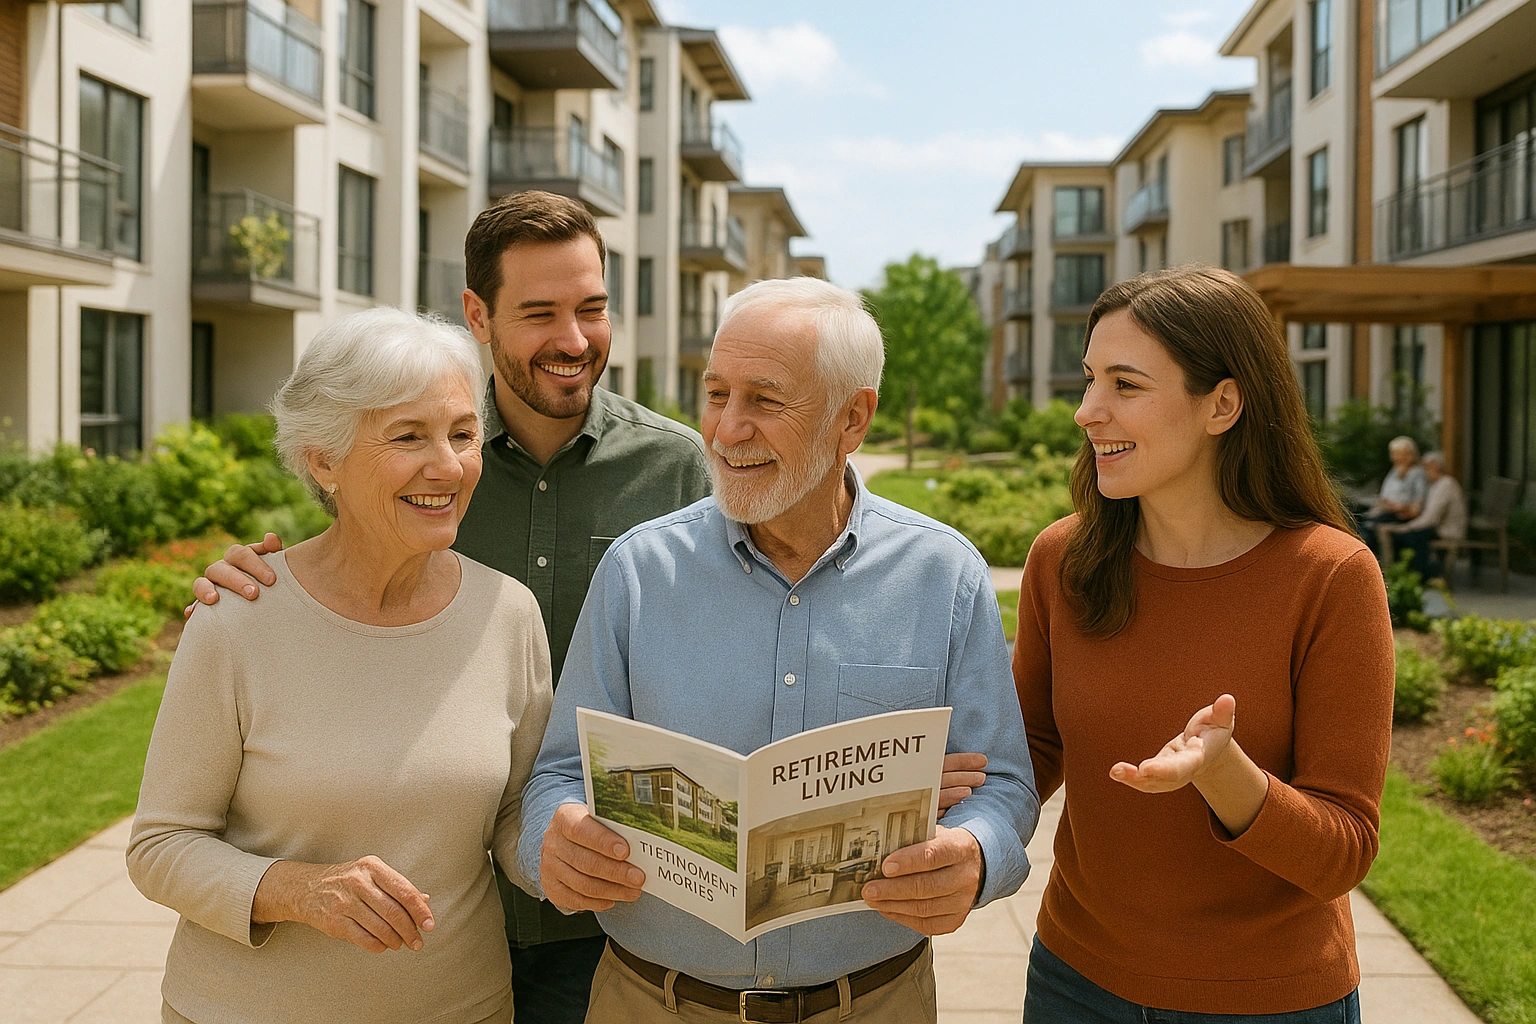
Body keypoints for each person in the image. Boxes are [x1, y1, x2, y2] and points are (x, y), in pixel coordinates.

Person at [188, 191, 712, 1023]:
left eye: (593, 308)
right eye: (539, 313)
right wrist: (246, 596)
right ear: (478, 313)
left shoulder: (680, 472)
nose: (573, 341)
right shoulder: (426, 466)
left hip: (609, 911)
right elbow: (336, 595)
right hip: (440, 921)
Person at [519, 277, 1040, 1024]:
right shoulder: (639, 570)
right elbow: (560, 775)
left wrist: (976, 854)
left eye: (765, 400)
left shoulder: (943, 574)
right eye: (717, 394)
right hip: (652, 1002)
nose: (728, 429)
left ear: (852, 418)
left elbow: (1006, 786)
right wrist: (555, 839)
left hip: (875, 1003)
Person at [128, 308, 554, 1024]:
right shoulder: (239, 619)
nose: (447, 465)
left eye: (461, 434)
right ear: (322, 461)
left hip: (462, 1008)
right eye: (408, 436)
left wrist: (565, 850)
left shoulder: (507, 614)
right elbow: (161, 845)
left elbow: (513, 813)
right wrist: (295, 889)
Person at [1013, 267, 1393, 1022]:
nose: (1088, 411)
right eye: (1090, 380)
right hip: (1074, 982)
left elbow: (1343, 852)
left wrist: (1224, 776)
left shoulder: (1332, 578)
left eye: (1126, 384)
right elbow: (1030, 749)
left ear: (1222, 403)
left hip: (1269, 1001)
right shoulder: (1062, 559)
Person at [1384, 451, 1467, 580]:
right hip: (1438, 528)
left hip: (1447, 531)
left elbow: (1431, 519)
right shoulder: (1436, 484)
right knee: (1408, 534)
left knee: (1409, 536)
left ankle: (1422, 575)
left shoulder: (1446, 485)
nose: (1425, 473)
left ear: (1436, 467)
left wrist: (1407, 527)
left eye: (1427, 468)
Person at [1360, 436, 1427, 551]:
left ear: (1411, 455)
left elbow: (1418, 504)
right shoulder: (1394, 471)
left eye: (1401, 454)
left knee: (1369, 528)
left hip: (1404, 516)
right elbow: (1383, 497)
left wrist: (1400, 507)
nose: (1397, 458)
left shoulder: (1417, 474)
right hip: (1388, 511)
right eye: (1395, 454)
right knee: (1362, 521)